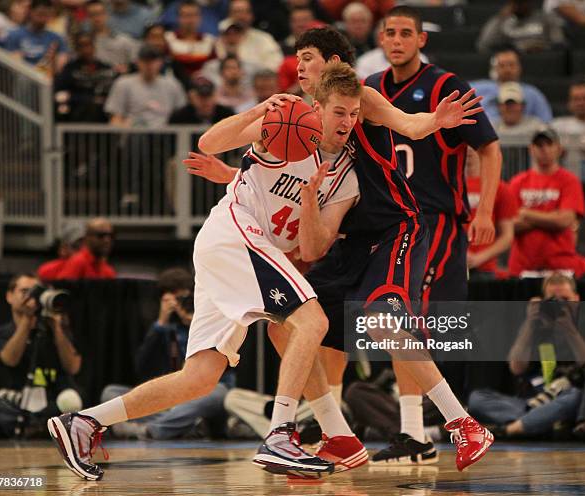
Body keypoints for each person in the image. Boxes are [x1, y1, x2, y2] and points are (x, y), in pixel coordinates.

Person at [186, 25, 495, 473]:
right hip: (351, 237)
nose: (299, 66)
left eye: (308, 57)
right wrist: (233, 175)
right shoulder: (301, 117)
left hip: (395, 226)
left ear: (334, 64)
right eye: (297, 58)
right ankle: (340, 437)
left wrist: (434, 121)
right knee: (283, 325)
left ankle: (462, 423)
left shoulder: (360, 96)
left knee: (380, 319)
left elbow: (408, 124)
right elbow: (276, 175)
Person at [48, 62, 368, 481]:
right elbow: (209, 141)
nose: (347, 121)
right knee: (313, 320)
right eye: (339, 111)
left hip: (242, 252)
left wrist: (309, 201)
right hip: (235, 233)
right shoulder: (283, 121)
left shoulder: (346, 177)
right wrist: (256, 111)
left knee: (199, 378)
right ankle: (280, 433)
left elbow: (310, 247)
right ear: (318, 107)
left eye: (354, 113)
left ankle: (84, 422)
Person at [349, 6, 501, 466]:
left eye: (405, 33)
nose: (396, 40)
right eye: (389, 33)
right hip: (388, 222)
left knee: (409, 321)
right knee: (397, 323)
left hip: (435, 220)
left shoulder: (447, 86)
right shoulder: (370, 89)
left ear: (421, 40)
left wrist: (486, 209)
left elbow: (489, 148)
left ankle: (420, 431)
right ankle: (412, 431)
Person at [101, 268, 234, 440]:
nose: (181, 304)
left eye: (184, 298)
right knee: (110, 392)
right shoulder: (162, 327)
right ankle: (184, 425)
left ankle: (150, 430)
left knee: (220, 393)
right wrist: (161, 323)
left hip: (204, 394)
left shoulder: (210, 316)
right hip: (170, 396)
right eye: (176, 299)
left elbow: (225, 369)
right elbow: (141, 368)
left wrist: (193, 323)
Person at [468, 273, 585, 438]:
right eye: (552, 300)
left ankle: (518, 427)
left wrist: (569, 329)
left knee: (575, 398)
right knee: (477, 398)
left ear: (577, 299)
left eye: (565, 299)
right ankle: (540, 421)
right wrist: (530, 323)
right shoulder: (536, 325)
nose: (559, 304)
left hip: (565, 396)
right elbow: (516, 368)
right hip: (532, 400)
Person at [0, 274, 82, 438]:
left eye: (36, 292)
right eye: (25, 291)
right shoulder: (3, 332)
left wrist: (57, 328)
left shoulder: (56, 331)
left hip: (53, 402)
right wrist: (26, 321)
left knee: (71, 402)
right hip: (16, 401)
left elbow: (73, 367)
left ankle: (38, 426)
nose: (32, 298)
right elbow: (10, 359)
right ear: (9, 296)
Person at [509, 126, 585, 278]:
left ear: (558, 148)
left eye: (549, 144)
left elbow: (564, 221)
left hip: (561, 267)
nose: (544, 149)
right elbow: (508, 225)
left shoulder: (569, 181)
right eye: (539, 145)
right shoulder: (517, 182)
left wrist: (526, 213)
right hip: (523, 267)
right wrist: (551, 217)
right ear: (531, 149)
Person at [466, 147, 517, 279]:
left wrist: (480, 257)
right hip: (450, 264)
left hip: (484, 268)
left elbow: (507, 235)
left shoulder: (500, 188)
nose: (469, 150)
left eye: (471, 145)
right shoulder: (447, 186)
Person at [105, 45, 186, 128]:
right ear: (138, 62)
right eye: (145, 60)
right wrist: (124, 126)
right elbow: (115, 118)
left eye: (153, 60)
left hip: (164, 134)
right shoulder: (123, 83)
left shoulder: (172, 84)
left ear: (160, 62)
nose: (149, 64)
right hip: (133, 133)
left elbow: (181, 115)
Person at [470, 48, 553, 123]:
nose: (507, 70)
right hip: (485, 135)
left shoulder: (533, 94)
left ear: (519, 67)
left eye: (511, 65)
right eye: (502, 65)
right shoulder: (478, 89)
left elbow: (546, 123)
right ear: (494, 69)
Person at [53, 31, 116, 123]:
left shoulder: (106, 68)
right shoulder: (70, 69)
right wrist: (89, 99)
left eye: (88, 45)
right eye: (81, 46)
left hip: (103, 112)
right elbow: (60, 93)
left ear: (94, 46)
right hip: (77, 112)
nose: (86, 50)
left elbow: (113, 93)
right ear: (76, 49)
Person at [4, 0, 68, 76]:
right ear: (30, 11)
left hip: (47, 79)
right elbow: (15, 64)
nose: (43, 17)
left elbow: (61, 66)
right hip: (23, 77)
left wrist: (53, 62)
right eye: (40, 13)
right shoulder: (15, 35)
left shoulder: (57, 38)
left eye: (46, 14)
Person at [477, 0, 566, 54]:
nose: (519, 6)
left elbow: (559, 42)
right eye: (516, 3)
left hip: (542, 59)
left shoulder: (545, 18)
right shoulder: (503, 21)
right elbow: (484, 45)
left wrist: (544, 48)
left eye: (522, 2)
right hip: (515, 58)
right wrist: (501, 17)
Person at [217, 0, 283, 71]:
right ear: (229, 15)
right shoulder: (220, 40)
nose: (241, 16)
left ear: (252, 15)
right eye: (236, 12)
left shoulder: (264, 39)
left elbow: (276, 66)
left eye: (245, 12)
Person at [165, 0, 216, 83]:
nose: (190, 20)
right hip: (176, 85)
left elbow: (214, 69)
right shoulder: (168, 39)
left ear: (200, 18)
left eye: (193, 15)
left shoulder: (209, 41)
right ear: (178, 18)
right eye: (186, 16)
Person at [85, 0, 138, 75]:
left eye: (100, 13)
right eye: (92, 15)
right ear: (87, 18)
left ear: (107, 14)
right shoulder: (84, 43)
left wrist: (128, 68)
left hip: (119, 80)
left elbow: (137, 61)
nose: (97, 18)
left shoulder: (123, 40)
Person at [169, 76, 234, 124]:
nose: (206, 101)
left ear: (215, 96)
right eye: (201, 97)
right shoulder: (180, 117)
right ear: (192, 97)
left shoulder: (227, 116)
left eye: (209, 96)